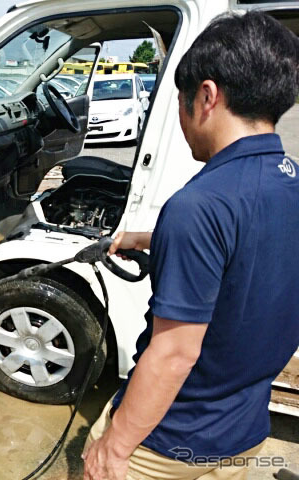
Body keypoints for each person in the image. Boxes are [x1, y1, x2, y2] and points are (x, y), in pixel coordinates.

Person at [82, 11, 299, 480]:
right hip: (244, 430)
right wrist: (151, 239)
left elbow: (175, 353)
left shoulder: (198, 205)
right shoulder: (290, 184)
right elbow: (251, 248)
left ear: (206, 96)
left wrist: (115, 449)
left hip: (170, 441)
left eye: (180, 103)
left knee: (96, 453)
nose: (181, 121)